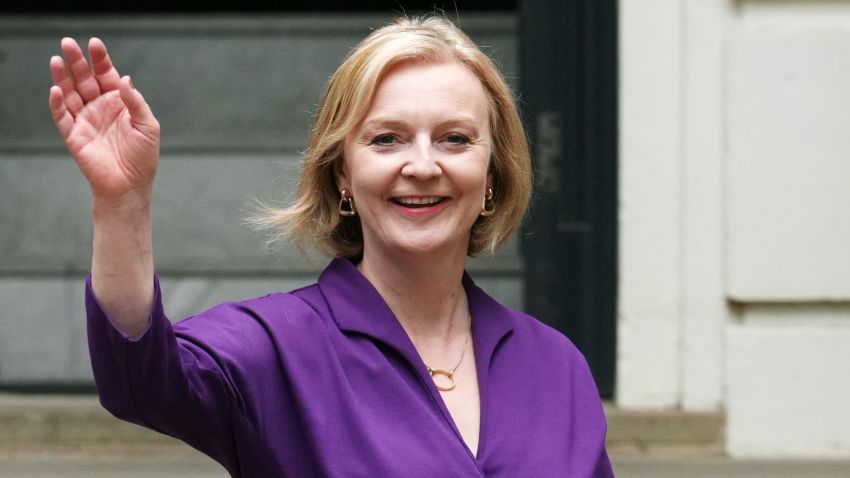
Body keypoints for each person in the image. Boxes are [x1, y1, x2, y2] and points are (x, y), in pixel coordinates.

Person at [48, 16, 614, 478]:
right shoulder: (275, 346)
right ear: (343, 172)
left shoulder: (555, 363)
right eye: (386, 139)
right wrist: (122, 204)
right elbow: (140, 381)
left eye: (455, 139)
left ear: (492, 172)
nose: (421, 165)